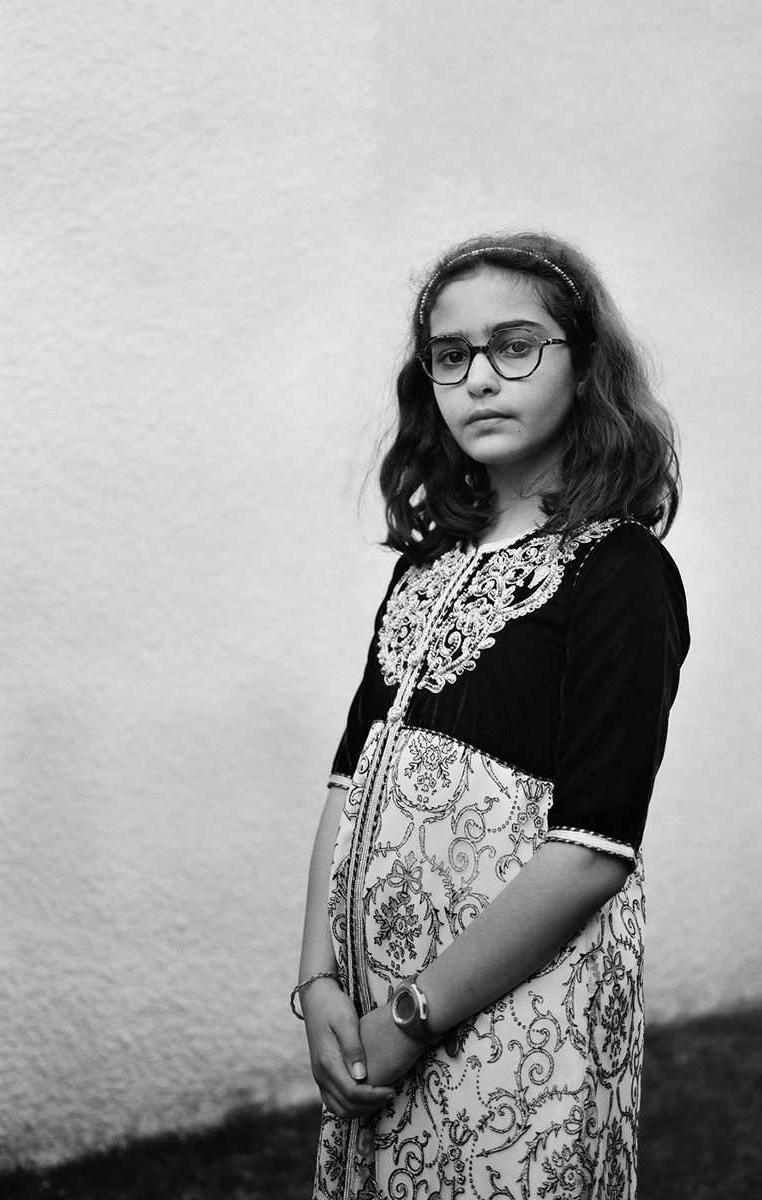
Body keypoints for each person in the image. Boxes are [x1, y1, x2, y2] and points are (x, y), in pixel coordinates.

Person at [294, 232, 689, 1200]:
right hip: (370, 1011)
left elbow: (593, 849)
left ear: (584, 364)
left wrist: (413, 1018)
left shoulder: (618, 571)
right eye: (450, 354)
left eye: (516, 345)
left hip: (516, 1019)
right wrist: (317, 987)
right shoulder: (424, 570)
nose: (479, 377)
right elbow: (348, 783)